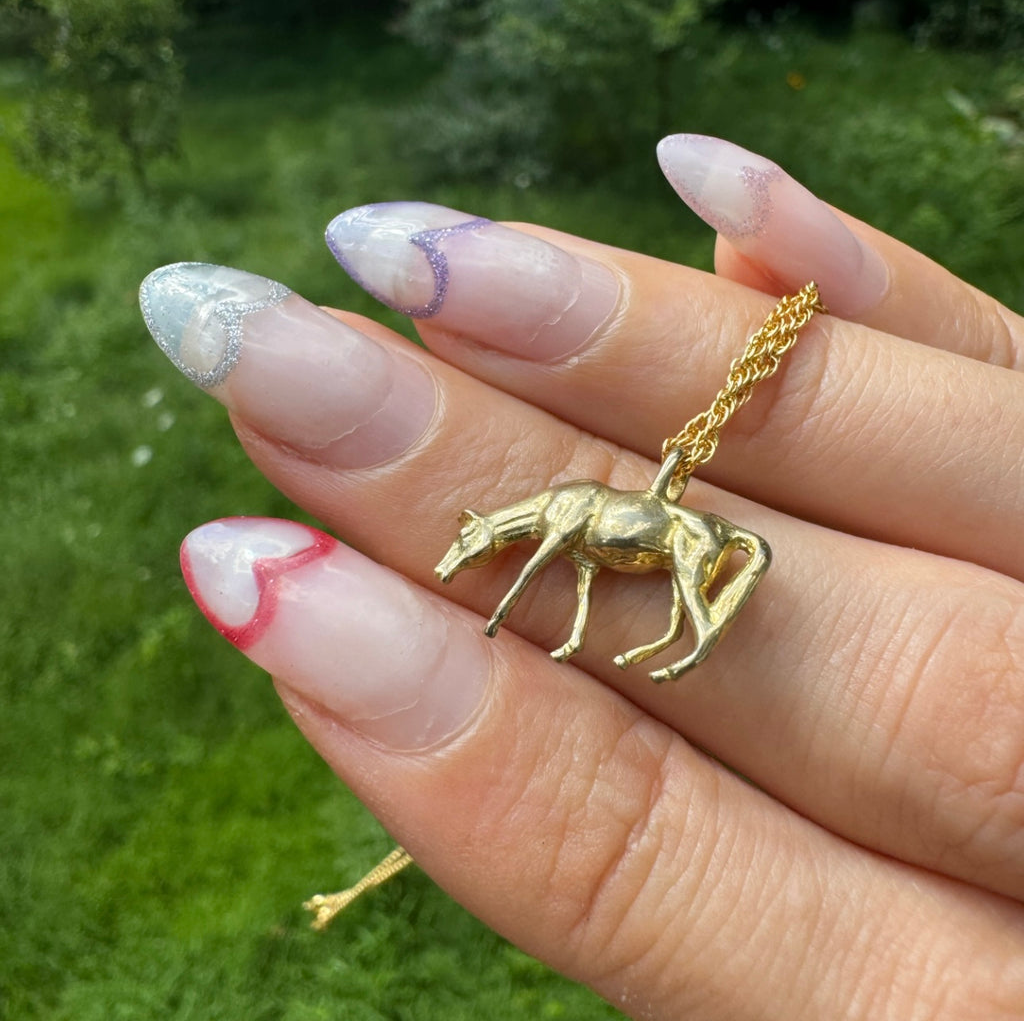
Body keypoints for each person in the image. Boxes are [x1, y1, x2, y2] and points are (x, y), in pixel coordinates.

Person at [139, 134, 1024, 1020]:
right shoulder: (556, 509)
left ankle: (691, 640)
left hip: (647, 527)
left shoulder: (579, 513)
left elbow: (545, 561)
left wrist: (503, 615)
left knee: (688, 597)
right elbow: (567, 566)